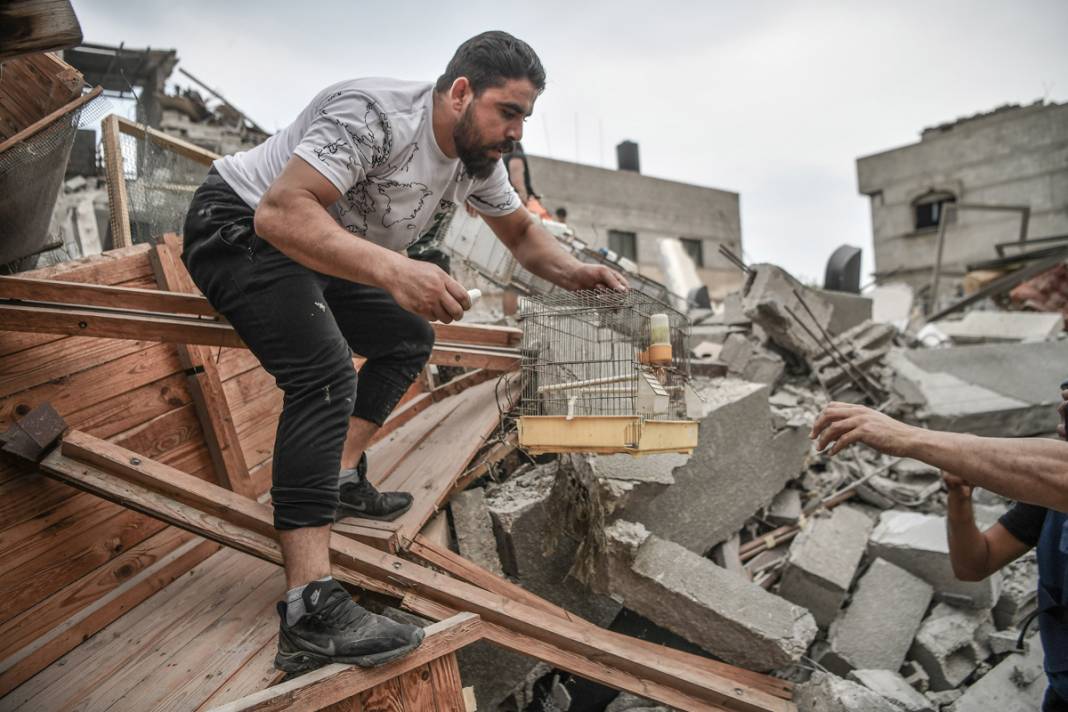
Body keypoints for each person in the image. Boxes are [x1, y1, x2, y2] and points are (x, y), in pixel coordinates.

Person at [181, 31, 627, 675]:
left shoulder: (478, 160)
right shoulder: (374, 116)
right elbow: (281, 214)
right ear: (461, 91)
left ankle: (337, 476)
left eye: (526, 118)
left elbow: (523, 235)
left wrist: (575, 271)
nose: (516, 132)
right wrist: (394, 269)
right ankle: (309, 609)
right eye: (509, 112)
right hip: (239, 226)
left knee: (409, 339)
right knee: (325, 375)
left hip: (320, 244)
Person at [811, 394, 1068, 710]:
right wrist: (959, 498)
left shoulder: (1057, 479)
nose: (1060, 416)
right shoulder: (1048, 501)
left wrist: (908, 437)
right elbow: (975, 564)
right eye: (1063, 402)